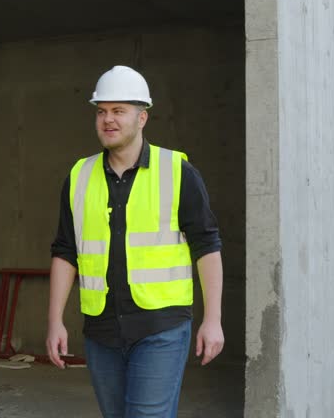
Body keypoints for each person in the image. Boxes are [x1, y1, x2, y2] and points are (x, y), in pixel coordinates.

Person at [45, 65, 224, 418]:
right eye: (101, 111)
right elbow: (65, 251)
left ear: (142, 118)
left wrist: (213, 319)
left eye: (118, 111)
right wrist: (54, 321)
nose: (107, 120)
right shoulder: (79, 176)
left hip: (161, 328)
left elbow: (207, 246)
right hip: (101, 330)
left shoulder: (177, 172)